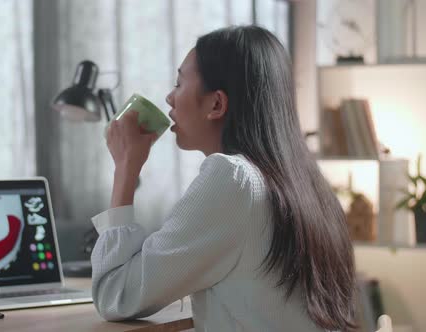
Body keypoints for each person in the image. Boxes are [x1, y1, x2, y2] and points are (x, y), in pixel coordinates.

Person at [91, 25, 356, 331]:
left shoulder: (233, 180)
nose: (169, 98)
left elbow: (115, 294)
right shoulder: (309, 184)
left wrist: (125, 168)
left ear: (216, 104)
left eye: (179, 84)